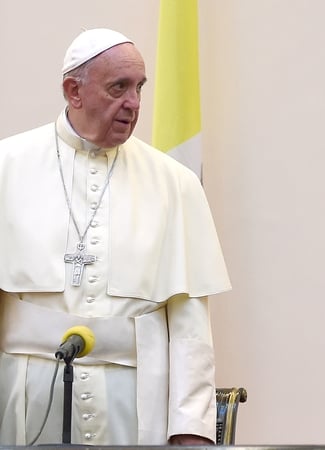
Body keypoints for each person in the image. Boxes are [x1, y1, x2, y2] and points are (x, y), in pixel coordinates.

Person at [0, 29, 230, 445]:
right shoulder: (7, 167)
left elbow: (190, 322)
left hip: (138, 400)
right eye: (118, 88)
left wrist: (191, 427)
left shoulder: (174, 183)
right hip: (22, 393)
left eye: (139, 88)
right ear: (74, 91)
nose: (134, 104)